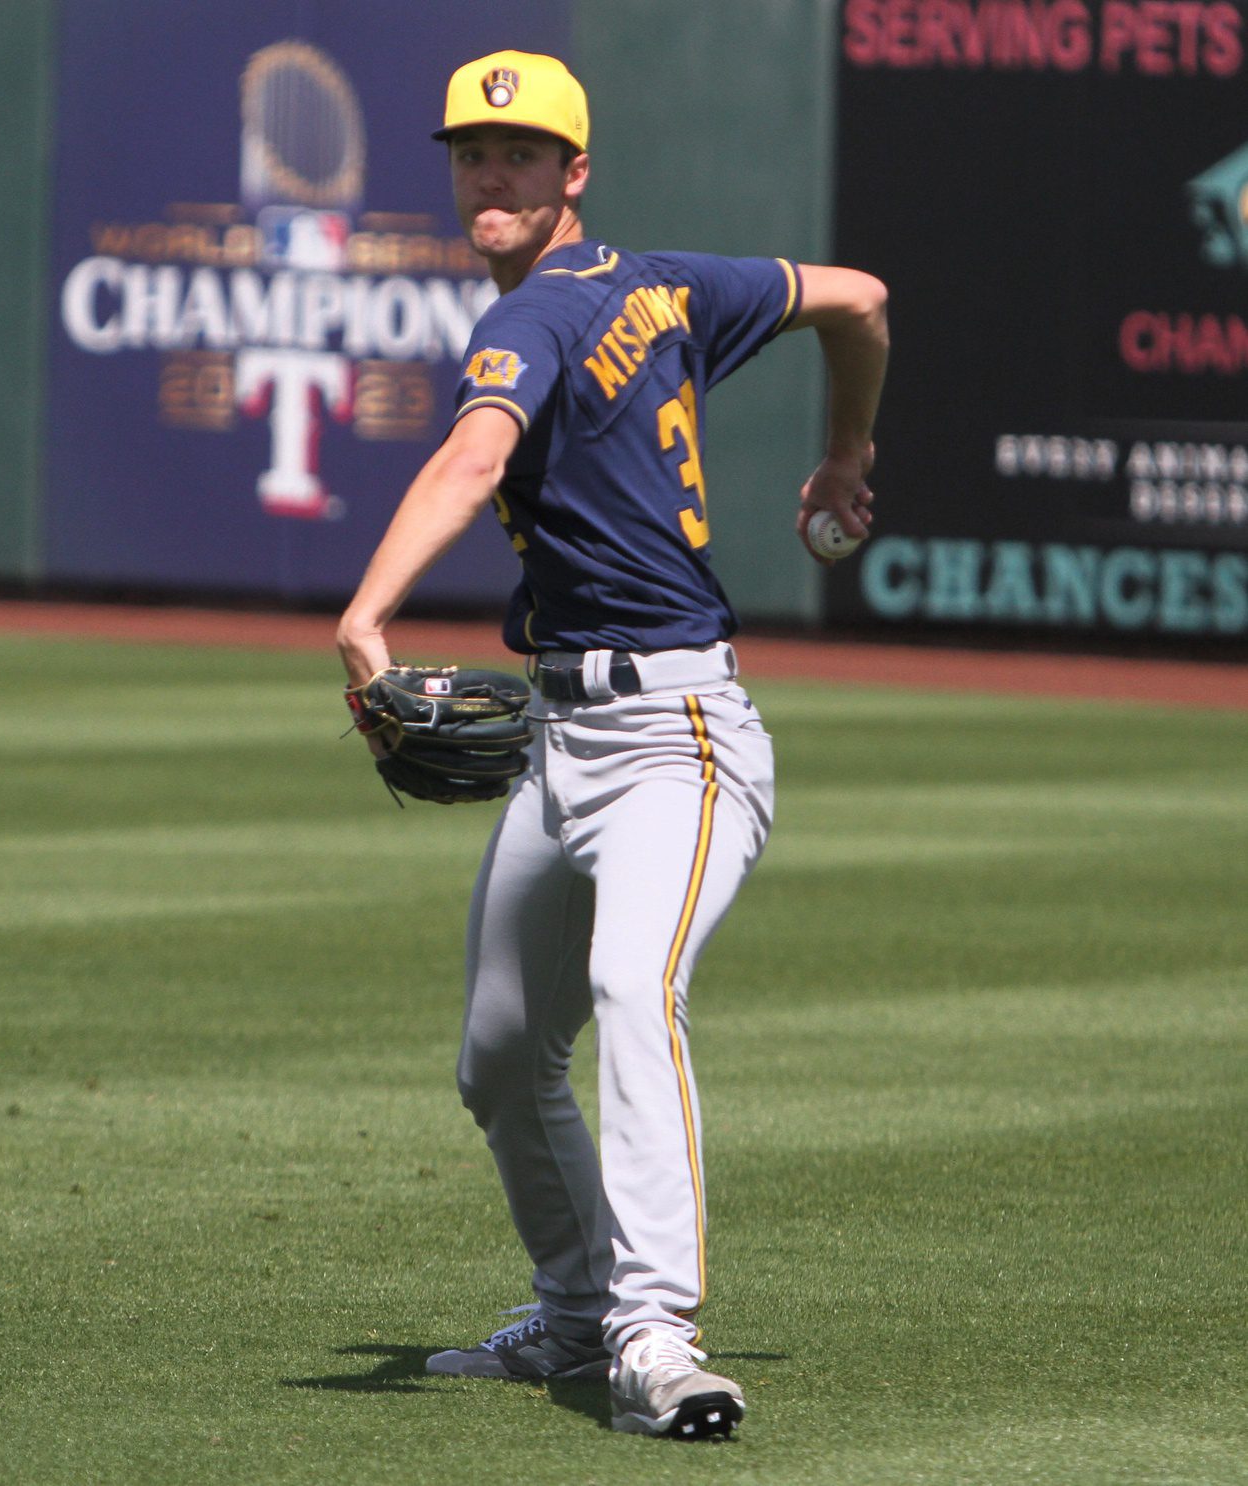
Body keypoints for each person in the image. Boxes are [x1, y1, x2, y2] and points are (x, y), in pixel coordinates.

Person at [337, 49, 888, 1441]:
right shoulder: (677, 285)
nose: (492, 172)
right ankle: (576, 1311)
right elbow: (861, 302)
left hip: (683, 737)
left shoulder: (535, 316)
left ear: (575, 174)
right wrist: (846, 454)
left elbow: (472, 455)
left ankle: (657, 1336)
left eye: (521, 153)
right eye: (472, 151)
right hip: (562, 737)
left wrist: (368, 612)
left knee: (634, 987)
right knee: (502, 1048)